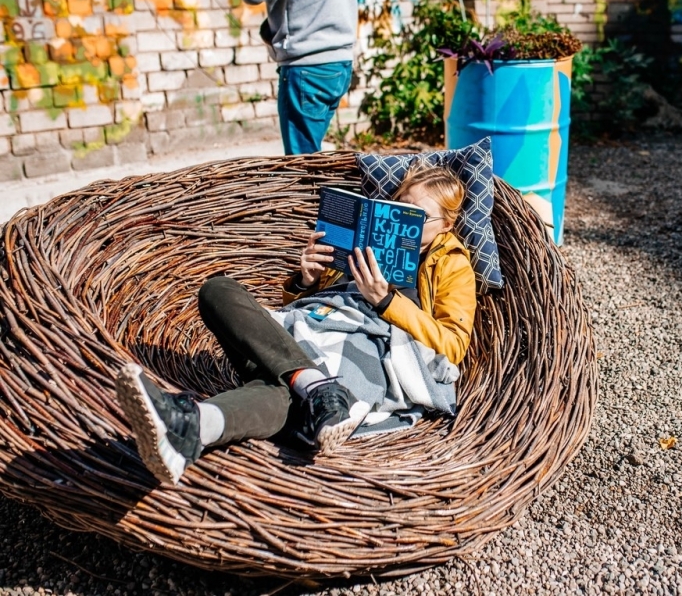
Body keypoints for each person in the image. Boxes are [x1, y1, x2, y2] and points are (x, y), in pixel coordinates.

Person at [115, 165, 477, 485]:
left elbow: (453, 346)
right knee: (217, 290)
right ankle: (319, 388)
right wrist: (305, 279)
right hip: (311, 328)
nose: (405, 216)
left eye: (419, 215)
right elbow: (309, 308)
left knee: (285, 395)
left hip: (372, 345)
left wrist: (386, 301)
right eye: (400, 204)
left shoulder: (451, 264)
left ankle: (191, 425)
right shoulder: (364, 243)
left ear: (446, 224)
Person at [232, 0, 358, 155]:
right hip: (338, 63)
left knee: (302, 171)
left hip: (307, 69)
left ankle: (329, 194)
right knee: (313, 162)